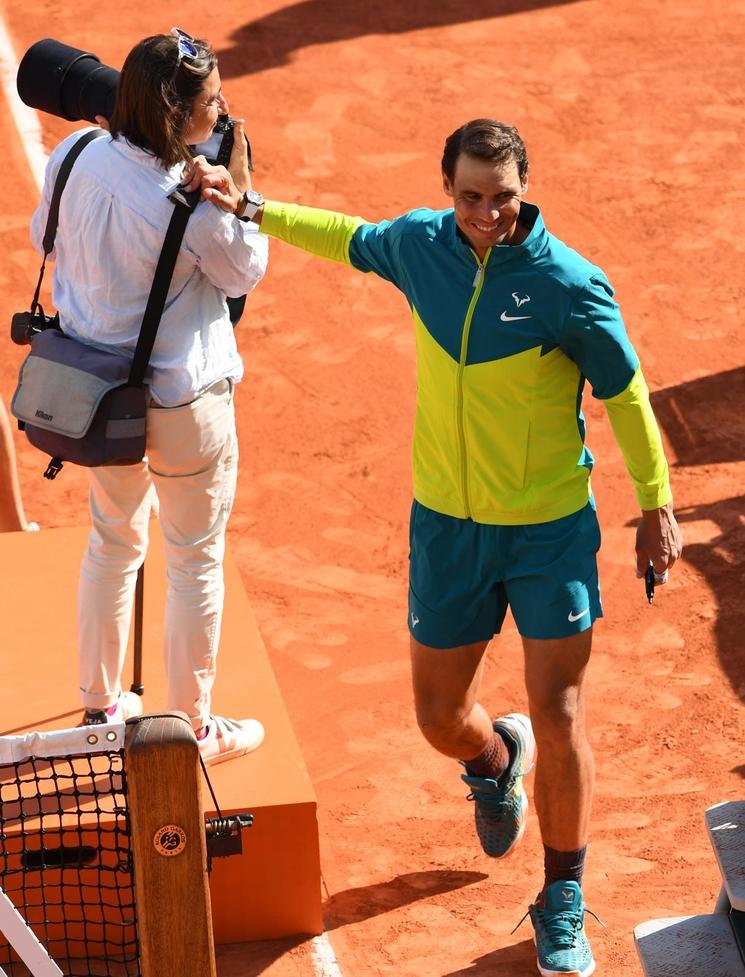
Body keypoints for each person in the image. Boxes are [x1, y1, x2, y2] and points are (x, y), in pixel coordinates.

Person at [189, 118, 682, 972]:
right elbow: (347, 236)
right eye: (469, 197)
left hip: (546, 528)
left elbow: (627, 393)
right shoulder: (422, 245)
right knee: (439, 718)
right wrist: (254, 206)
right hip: (447, 525)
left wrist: (655, 505)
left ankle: (561, 893)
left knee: (560, 707)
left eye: (502, 198)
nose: (486, 214)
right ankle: (497, 760)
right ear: (446, 188)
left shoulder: (568, 284)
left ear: (525, 189)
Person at [29, 29, 269, 765]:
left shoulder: (69, 156)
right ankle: (190, 728)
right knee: (193, 559)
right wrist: (241, 194)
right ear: (177, 115)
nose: (223, 109)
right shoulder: (195, 207)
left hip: (97, 399)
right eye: (211, 101)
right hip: (185, 407)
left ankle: (102, 705)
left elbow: (46, 237)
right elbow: (244, 273)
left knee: (112, 538)